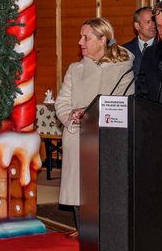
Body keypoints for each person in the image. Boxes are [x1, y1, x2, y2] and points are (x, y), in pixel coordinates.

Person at [55, 18, 134, 234]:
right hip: (78, 140)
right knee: (80, 195)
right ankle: (86, 240)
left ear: (102, 40)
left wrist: (93, 114)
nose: (80, 42)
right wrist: (71, 114)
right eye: (81, 36)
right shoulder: (75, 69)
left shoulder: (124, 70)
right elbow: (62, 102)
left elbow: (124, 104)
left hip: (109, 143)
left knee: (108, 196)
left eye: (85, 37)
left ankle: (109, 244)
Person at [122, 6, 157, 74]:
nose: (153, 25)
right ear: (137, 26)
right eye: (148, 22)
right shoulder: (125, 50)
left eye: (154, 21)